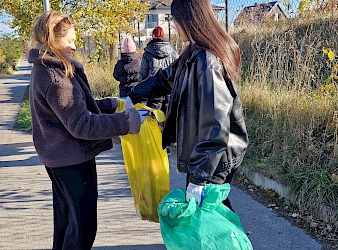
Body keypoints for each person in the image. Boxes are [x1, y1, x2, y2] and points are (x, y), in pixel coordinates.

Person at [28, 11, 144, 249]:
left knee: (66, 223)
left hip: (60, 158)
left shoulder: (46, 69)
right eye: (69, 41)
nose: (73, 46)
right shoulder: (55, 77)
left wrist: (108, 105)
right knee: (82, 228)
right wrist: (127, 122)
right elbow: (82, 124)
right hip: (71, 161)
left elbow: (70, 112)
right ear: (52, 40)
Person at [128, 0, 249, 211]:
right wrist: (133, 97)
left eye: (174, 21)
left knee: (211, 218)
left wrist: (199, 177)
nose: (173, 26)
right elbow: (165, 78)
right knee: (213, 216)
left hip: (215, 157)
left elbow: (216, 122)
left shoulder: (207, 60)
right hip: (210, 154)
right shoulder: (193, 53)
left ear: (188, 20)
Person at [139, 26, 179, 112]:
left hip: (153, 90)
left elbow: (143, 74)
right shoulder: (173, 52)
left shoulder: (147, 53)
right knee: (168, 117)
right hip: (169, 90)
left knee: (153, 118)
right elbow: (178, 72)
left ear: (153, 35)